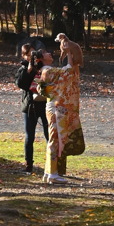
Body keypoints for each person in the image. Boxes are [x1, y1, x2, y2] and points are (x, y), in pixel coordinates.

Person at [38, 33, 84, 186]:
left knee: (54, 139)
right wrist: (70, 52)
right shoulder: (47, 71)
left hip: (54, 106)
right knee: (55, 140)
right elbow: (69, 72)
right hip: (56, 108)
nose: (49, 53)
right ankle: (52, 173)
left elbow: (66, 72)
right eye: (45, 53)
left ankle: (49, 172)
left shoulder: (49, 71)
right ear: (41, 59)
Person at [15, 39, 49, 174]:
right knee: (30, 136)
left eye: (33, 54)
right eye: (28, 55)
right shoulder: (23, 68)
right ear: (24, 56)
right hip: (29, 106)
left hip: (45, 104)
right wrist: (29, 70)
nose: (31, 57)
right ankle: (29, 165)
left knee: (49, 135)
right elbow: (21, 84)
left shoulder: (44, 67)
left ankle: (51, 164)